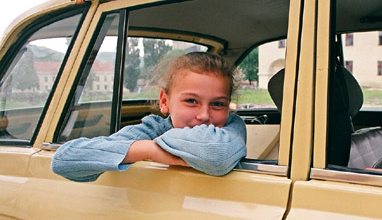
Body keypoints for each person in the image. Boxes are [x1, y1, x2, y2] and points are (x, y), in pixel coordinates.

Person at [52, 52, 247, 182]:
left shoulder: (232, 126)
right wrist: (148, 149)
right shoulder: (153, 129)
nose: (204, 115)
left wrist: (151, 146)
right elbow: (64, 159)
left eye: (218, 104)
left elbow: (218, 154)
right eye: (191, 101)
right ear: (164, 101)